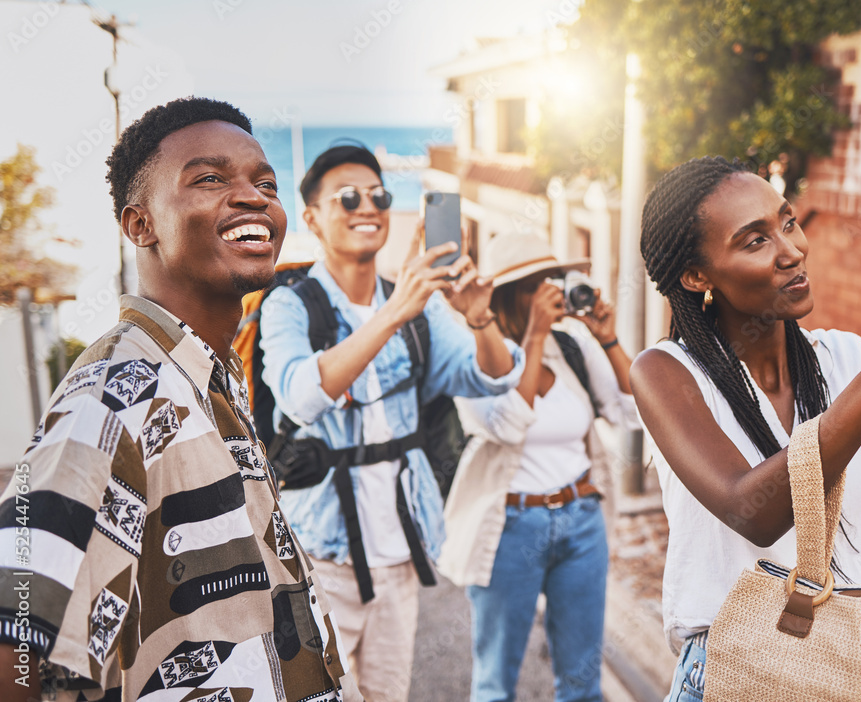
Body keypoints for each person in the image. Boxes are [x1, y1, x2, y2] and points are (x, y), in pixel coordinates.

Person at [0, 98, 361, 701]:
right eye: (211, 178)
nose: (254, 198)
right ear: (139, 224)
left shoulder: (209, 376)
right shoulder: (117, 393)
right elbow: (16, 630)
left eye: (264, 183)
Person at [630, 155, 861, 700]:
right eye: (754, 241)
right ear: (696, 275)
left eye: (787, 222)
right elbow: (750, 509)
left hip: (852, 669)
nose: (792, 250)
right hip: (737, 671)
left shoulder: (847, 360)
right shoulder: (666, 374)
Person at [258, 144, 524, 702]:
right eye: (348, 197)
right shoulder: (291, 305)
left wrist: (481, 320)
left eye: (379, 196)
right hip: (320, 558)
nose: (368, 207)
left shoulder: (419, 306)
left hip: (400, 557)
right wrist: (392, 311)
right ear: (311, 218)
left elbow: (489, 378)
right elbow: (300, 395)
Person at [437, 233, 641, 702]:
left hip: (581, 520)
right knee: (495, 685)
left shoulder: (572, 347)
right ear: (511, 292)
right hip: (510, 528)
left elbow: (634, 411)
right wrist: (533, 337)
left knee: (582, 684)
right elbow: (507, 424)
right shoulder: (475, 359)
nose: (553, 291)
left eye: (556, 279)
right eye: (539, 283)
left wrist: (606, 336)